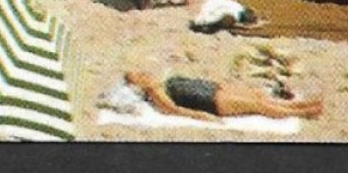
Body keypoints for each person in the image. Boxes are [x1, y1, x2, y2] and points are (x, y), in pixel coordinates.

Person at [120, 70, 324, 121]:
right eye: (138, 77)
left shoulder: (162, 81)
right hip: (211, 102)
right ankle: (304, 113)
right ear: (138, 86)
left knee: (258, 96)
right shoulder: (156, 92)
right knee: (257, 105)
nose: (143, 74)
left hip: (214, 90)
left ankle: (301, 105)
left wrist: (221, 84)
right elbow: (175, 110)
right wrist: (202, 116)